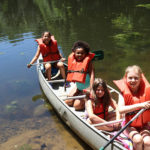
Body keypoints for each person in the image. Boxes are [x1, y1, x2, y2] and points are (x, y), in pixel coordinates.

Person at [113, 65, 150, 150]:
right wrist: (140, 105)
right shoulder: (123, 93)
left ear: (140, 79)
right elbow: (120, 110)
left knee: (148, 142)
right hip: (129, 125)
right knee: (138, 140)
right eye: (130, 78)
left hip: (144, 125)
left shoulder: (147, 91)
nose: (133, 80)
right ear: (126, 78)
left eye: (136, 78)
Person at [65, 40, 95, 111]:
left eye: (82, 53)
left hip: (86, 88)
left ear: (86, 53)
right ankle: (80, 96)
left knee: (77, 106)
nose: (80, 55)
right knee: (68, 102)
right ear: (74, 53)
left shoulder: (88, 62)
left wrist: (91, 89)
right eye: (78, 53)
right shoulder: (73, 61)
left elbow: (92, 76)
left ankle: (89, 101)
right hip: (78, 88)